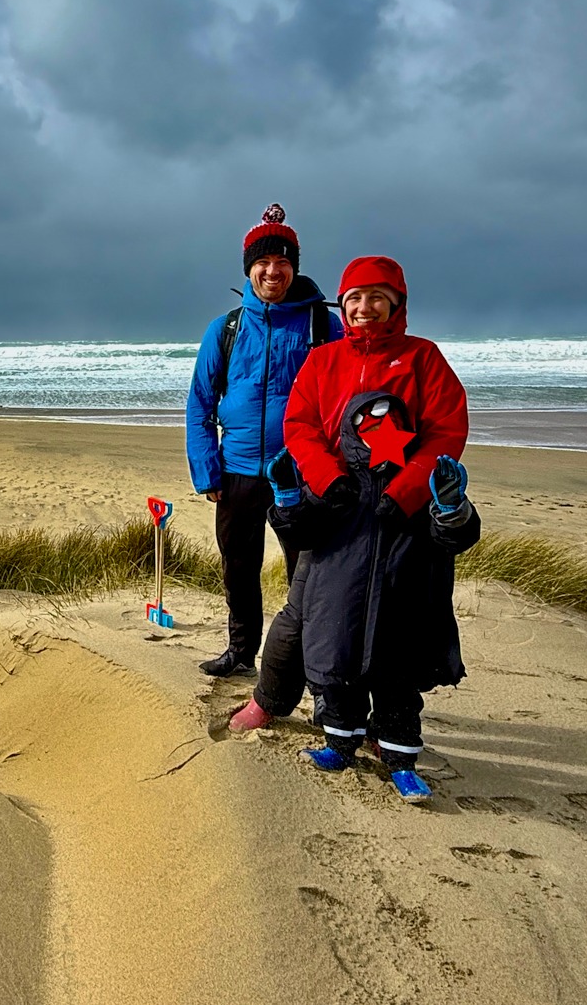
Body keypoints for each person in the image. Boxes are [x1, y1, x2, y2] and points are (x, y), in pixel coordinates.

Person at [227, 255, 477, 799]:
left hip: (399, 519)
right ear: (343, 305)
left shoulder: (423, 358)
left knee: (392, 625)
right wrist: (327, 479)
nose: (364, 308)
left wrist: (408, 490)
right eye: (354, 298)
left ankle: (386, 735)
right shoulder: (325, 360)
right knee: (307, 611)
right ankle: (275, 702)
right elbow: (300, 424)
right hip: (334, 511)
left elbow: (446, 427)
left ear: (397, 303)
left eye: (376, 297)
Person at [184, 204, 340, 677]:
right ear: (249, 268)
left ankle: (306, 665)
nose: (273, 271)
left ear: (295, 265)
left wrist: (330, 469)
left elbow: (341, 401)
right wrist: (208, 470)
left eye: (283, 262)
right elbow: (200, 403)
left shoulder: (322, 326)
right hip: (235, 474)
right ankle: (240, 652)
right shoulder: (226, 329)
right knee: (238, 569)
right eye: (263, 263)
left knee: (307, 576)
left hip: (299, 475)